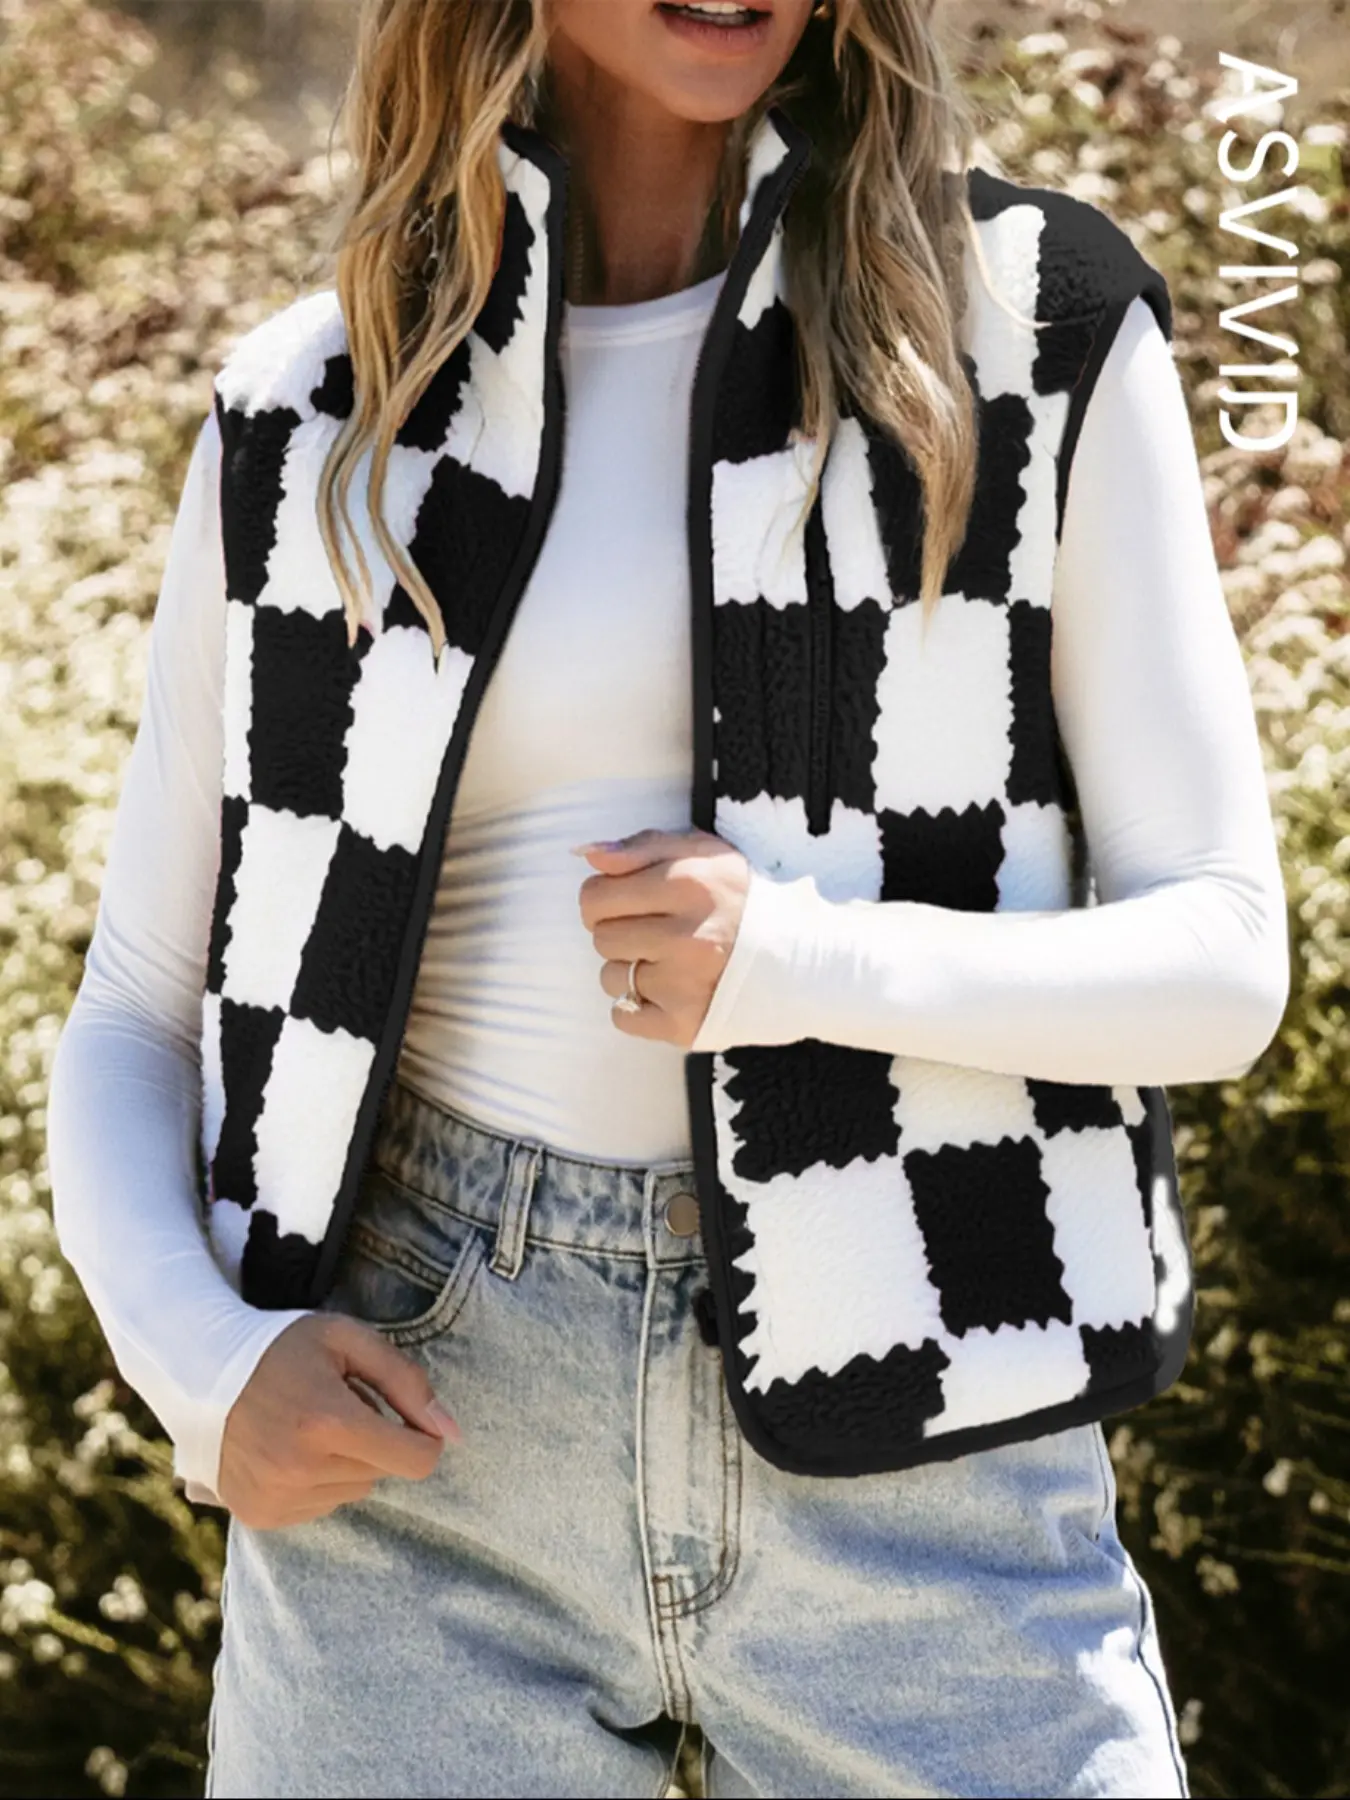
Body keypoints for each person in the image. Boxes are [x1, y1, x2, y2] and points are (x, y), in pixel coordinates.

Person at [47, 0, 1290, 1794]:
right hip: (421, 1426)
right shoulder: (315, 405)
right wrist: (203, 1366)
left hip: (931, 1404)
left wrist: (794, 960)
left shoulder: (1029, 324)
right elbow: (141, 1001)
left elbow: (1222, 958)